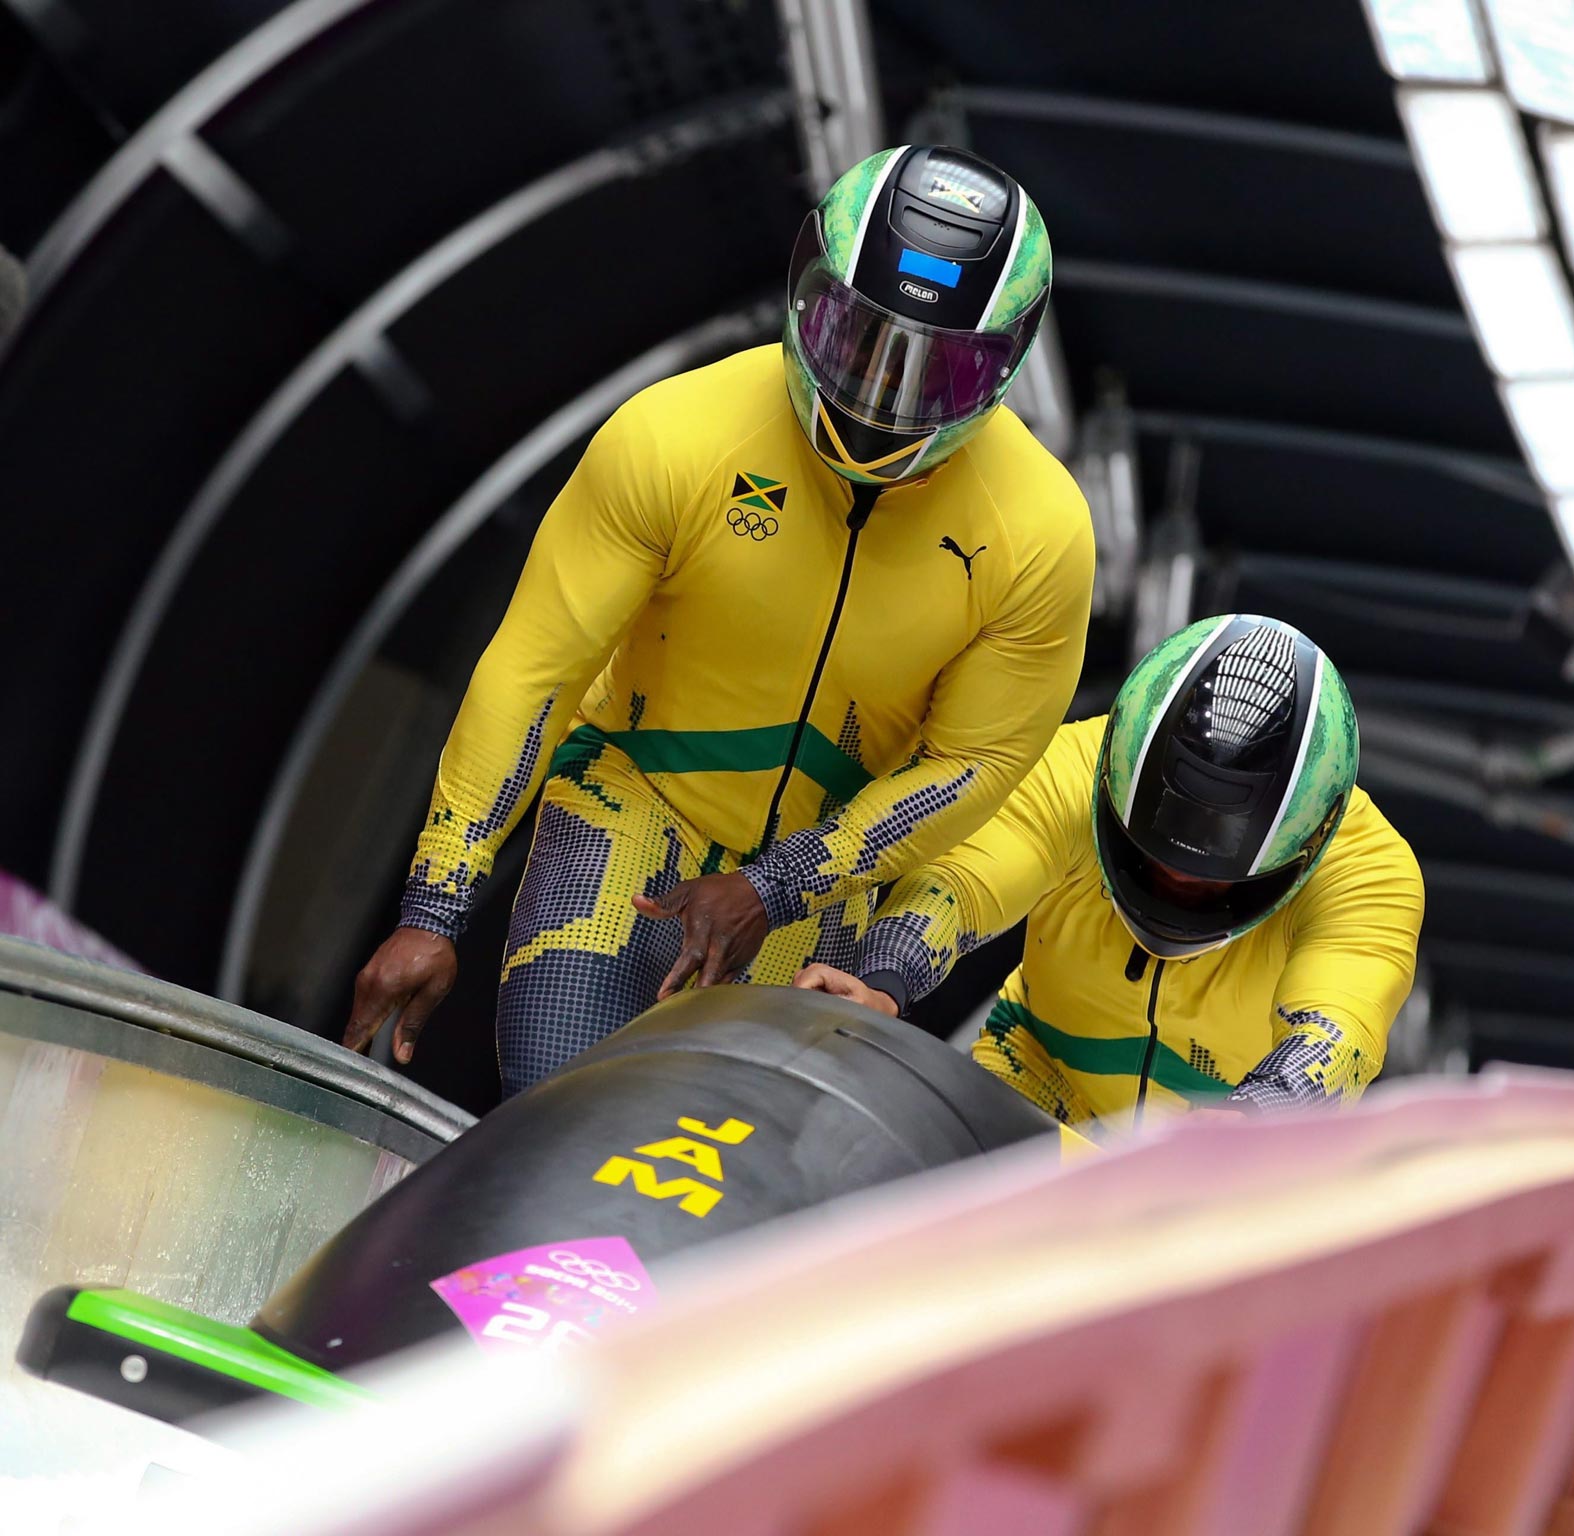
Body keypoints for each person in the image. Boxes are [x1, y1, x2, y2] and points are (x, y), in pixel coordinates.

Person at [344, 145, 1094, 1095]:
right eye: (855, 337)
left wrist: (776, 886)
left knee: (696, 1191)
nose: (881, 396)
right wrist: (434, 904)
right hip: (630, 804)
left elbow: (977, 762)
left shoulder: (1041, 534)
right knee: (560, 1102)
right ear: (803, 292)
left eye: (935, 373)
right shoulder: (674, 435)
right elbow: (537, 668)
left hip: (818, 881)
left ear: (1006, 368)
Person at [795, 615, 1424, 1127]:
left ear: (1303, 848)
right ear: (1113, 785)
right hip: (1039, 1073)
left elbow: (1336, 1033)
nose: (1172, 886)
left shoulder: (1372, 875)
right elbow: (964, 881)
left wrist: (1251, 1121)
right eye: (1146, 856)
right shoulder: (1076, 765)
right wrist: (881, 977)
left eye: (1211, 885)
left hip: (1233, 1149)